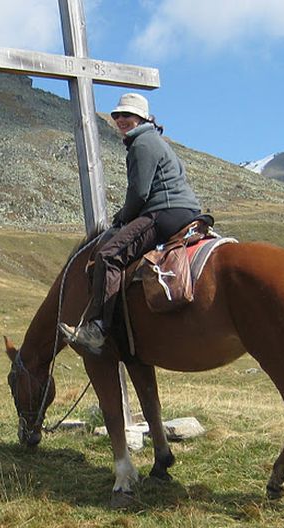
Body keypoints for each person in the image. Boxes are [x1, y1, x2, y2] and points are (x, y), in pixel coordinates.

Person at [58, 93, 202, 355]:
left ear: (142, 118)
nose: (121, 120)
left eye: (127, 115)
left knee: (108, 255)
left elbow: (139, 192)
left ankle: (98, 328)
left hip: (164, 211)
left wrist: (123, 218)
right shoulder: (153, 140)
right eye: (117, 115)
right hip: (183, 210)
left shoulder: (142, 144)